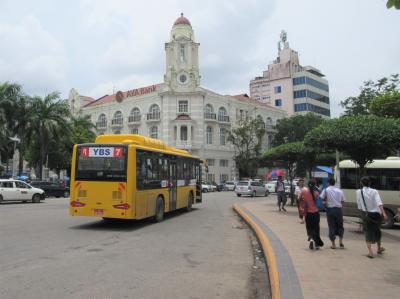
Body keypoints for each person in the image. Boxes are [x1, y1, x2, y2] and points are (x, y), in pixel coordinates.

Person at [356, 176, 388, 259]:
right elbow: (379, 203)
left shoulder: (358, 192)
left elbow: (359, 205)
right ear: (369, 183)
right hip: (377, 215)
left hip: (366, 214)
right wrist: (384, 213)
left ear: (361, 183)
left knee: (367, 232)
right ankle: (379, 248)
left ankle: (370, 252)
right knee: (377, 231)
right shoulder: (374, 191)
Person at [320, 178, 345, 249]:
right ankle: (340, 242)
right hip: (339, 210)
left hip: (330, 210)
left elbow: (321, 198)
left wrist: (325, 202)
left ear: (328, 183)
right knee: (340, 226)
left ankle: (333, 244)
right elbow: (343, 201)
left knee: (332, 226)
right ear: (334, 183)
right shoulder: (340, 191)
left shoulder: (326, 190)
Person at [299, 179, 324, 250]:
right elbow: (319, 203)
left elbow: (300, 198)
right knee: (316, 228)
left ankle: (311, 240)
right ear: (314, 186)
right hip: (316, 213)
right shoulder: (317, 193)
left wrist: (303, 203)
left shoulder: (304, 192)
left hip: (308, 214)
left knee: (309, 229)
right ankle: (316, 244)